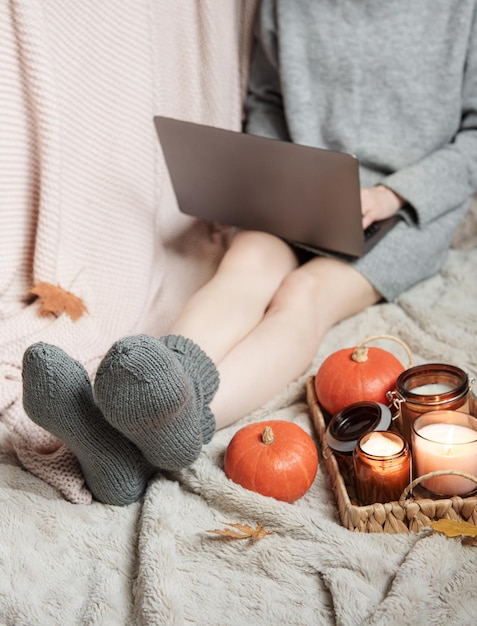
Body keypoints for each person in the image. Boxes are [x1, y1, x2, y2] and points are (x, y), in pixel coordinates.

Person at [22, 0, 477, 506]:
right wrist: (272, 174)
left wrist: (390, 196)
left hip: (406, 208)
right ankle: (141, 419)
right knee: (243, 269)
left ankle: (159, 434)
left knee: (303, 294)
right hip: (301, 186)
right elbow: (265, 102)